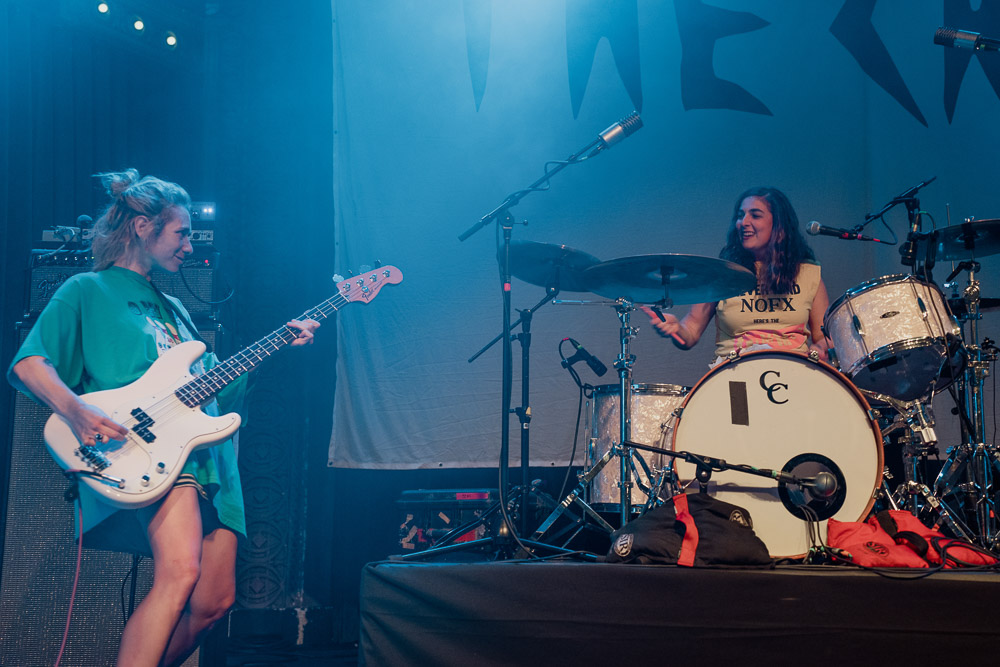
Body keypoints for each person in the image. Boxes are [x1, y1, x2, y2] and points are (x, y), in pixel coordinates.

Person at [7, 169, 320, 667]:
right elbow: (28, 363)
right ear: (141, 228)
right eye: (181, 233)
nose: (189, 247)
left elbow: (220, 387)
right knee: (178, 576)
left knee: (213, 604)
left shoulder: (175, 309)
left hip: (208, 460)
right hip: (147, 450)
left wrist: (279, 345)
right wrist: (77, 409)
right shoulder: (86, 290)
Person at [642, 187, 829, 362]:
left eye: (755, 215)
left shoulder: (808, 273)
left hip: (795, 375)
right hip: (734, 375)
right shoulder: (721, 274)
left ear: (779, 224)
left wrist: (820, 348)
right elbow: (690, 332)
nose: (743, 222)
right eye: (741, 216)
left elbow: (824, 337)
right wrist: (677, 329)